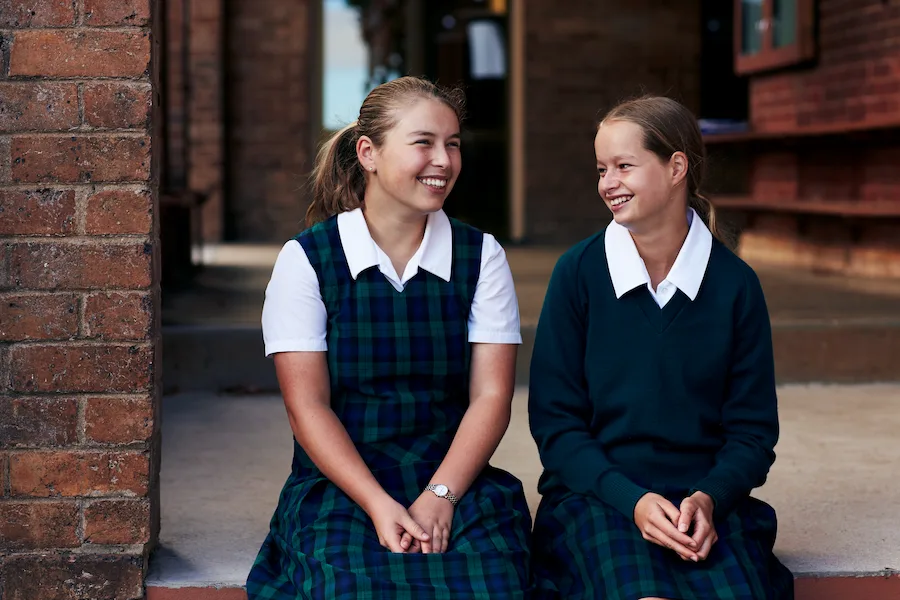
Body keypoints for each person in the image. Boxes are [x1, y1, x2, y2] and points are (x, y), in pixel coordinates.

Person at [246, 76, 532, 599]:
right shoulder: (308, 260)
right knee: (350, 588)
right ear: (368, 153)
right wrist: (378, 503)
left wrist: (441, 495)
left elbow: (491, 397)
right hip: (342, 484)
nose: (443, 160)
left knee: (489, 585)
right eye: (423, 142)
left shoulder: (481, 256)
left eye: (453, 144)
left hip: (452, 478)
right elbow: (307, 408)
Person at [528, 95, 794, 600]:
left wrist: (710, 498)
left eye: (624, 166)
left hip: (706, 506)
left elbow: (753, 433)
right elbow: (556, 427)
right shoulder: (578, 275)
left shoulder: (735, 285)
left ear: (677, 168)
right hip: (599, 497)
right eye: (601, 168)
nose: (608, 183)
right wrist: (633, 500)